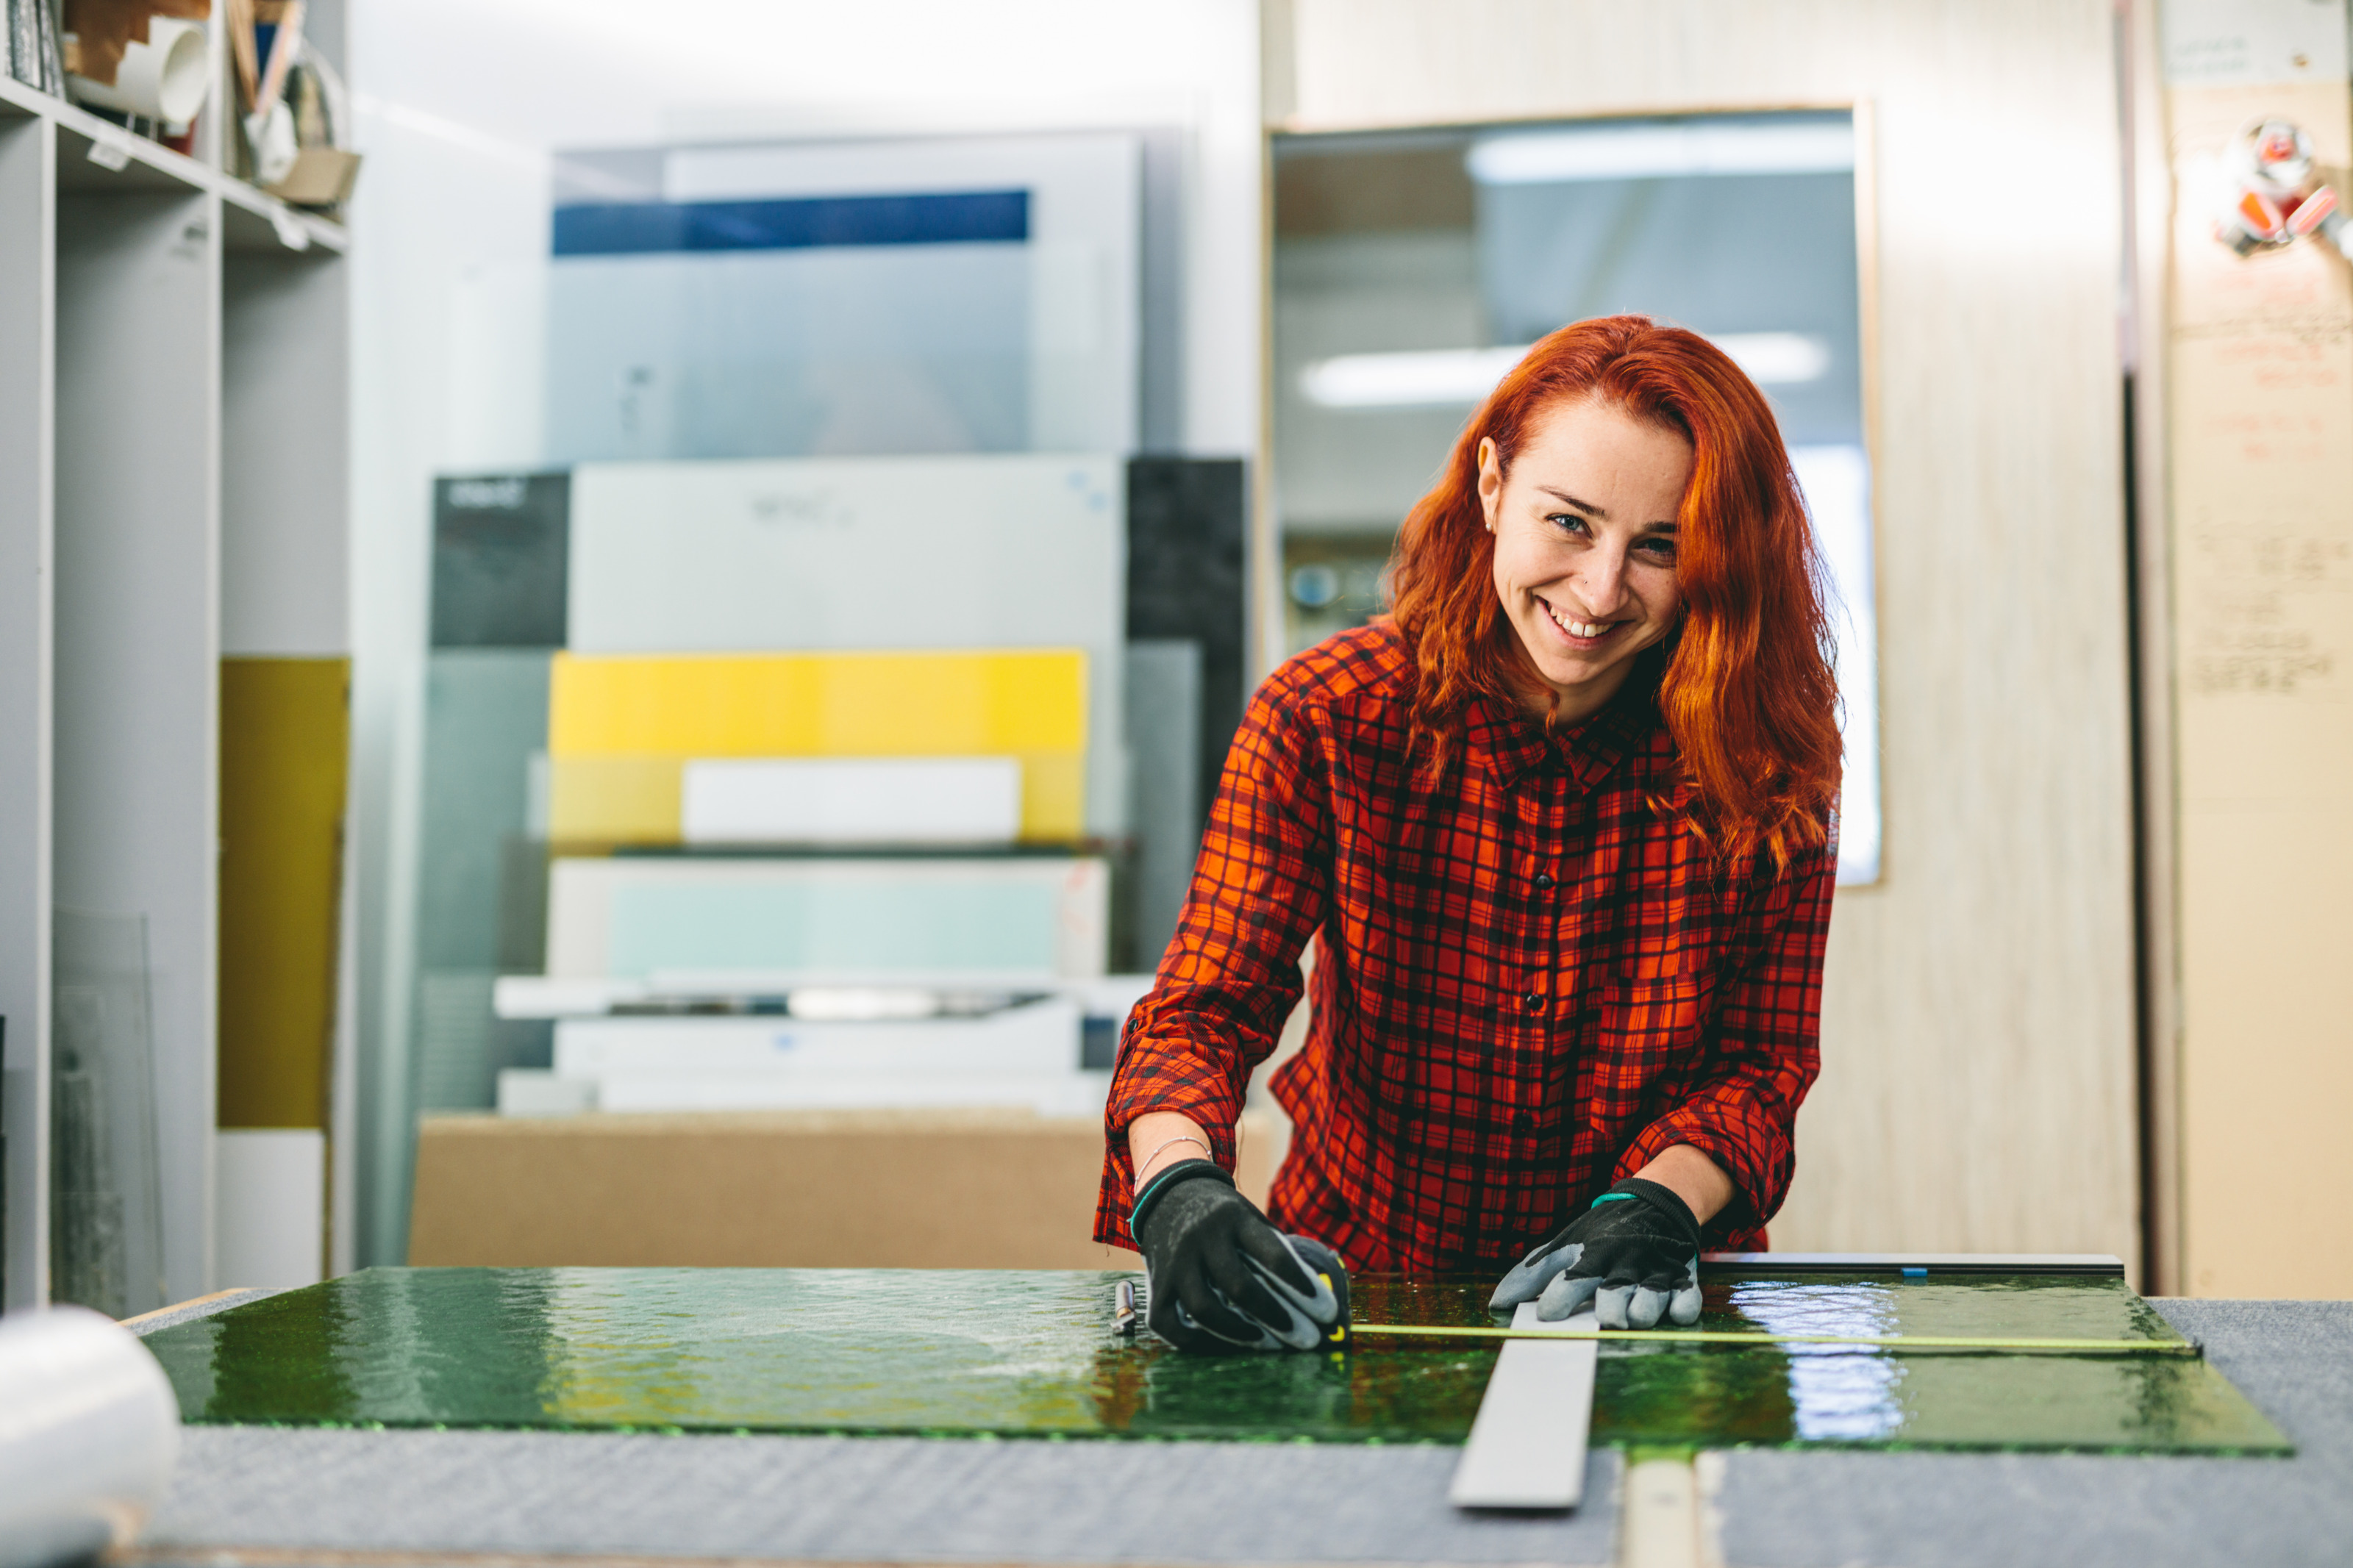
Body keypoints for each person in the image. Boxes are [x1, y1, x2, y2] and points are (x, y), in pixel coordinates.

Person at [1100, 315, 1843, 1351]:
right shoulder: (1325, 715)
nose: (1600, 589)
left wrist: (1660, 1205)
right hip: (1363, 1291)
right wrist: (1179, 1185)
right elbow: (1203, 1010)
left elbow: (1759, 1065)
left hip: (1647, 1304)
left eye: (1660, 548)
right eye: (1572, 523)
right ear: (1494, 487)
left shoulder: (1766, 760)